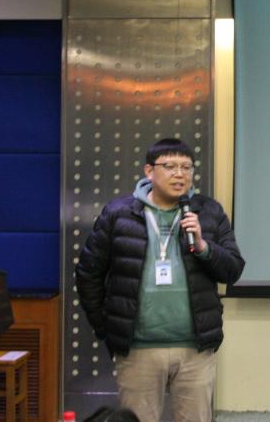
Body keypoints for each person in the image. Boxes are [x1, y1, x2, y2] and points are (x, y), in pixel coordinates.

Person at [76, 138, 245, 422]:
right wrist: (107, 327)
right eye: (170, 166)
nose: (180, 174)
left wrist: (203, 246)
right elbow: (88, 273)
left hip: (195, 349)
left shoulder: (208, 212)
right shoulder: (119, 214)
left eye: (186, 167)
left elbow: (233, 269)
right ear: (149, 171)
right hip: (138, 350)